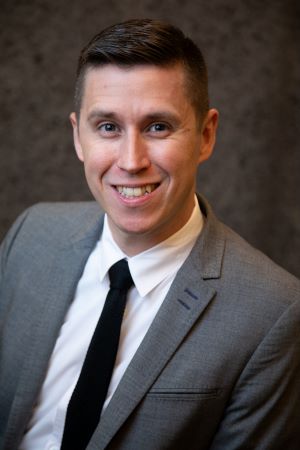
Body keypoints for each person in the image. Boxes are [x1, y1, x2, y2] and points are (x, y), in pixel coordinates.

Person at [0, 19, 300, 450]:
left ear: (206, 135)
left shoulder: (273, 312)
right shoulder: (31, 235)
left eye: (158, 126)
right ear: (78, 136)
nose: (131, 160)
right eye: (107, 127)